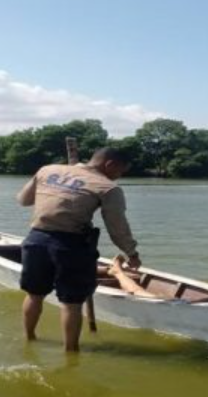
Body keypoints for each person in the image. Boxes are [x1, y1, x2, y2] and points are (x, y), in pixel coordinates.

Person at [15, 147, 141, 352]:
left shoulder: (47, 170)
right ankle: (71, 352)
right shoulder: (108, 187)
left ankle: (29, 340)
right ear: (110, 164)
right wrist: (132, 253)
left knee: (34, 294)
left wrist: (60, 190)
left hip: (35, 239)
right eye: (121, 171)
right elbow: (117, 227)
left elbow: (23, 200)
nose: (120, 176)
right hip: (70, 245)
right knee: (71, 303)